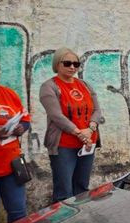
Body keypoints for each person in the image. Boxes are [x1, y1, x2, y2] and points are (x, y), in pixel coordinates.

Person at [40, 47, 104, 202]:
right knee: (64, 191)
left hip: (88, 143)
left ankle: (81, 221)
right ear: (57, 64)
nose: (72, 67)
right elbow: (56, 116)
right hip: (64, 145)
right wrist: (78, 132)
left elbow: (97, 110)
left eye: (76, 64)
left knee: (81, 187)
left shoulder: (85, 85)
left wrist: (90, 129)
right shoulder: (49, 87)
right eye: (67, 63)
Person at [0, 52, 31, 223]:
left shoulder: (10, 94)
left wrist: (21, 127)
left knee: (18, 214)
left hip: (12, 167)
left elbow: (25, 118)